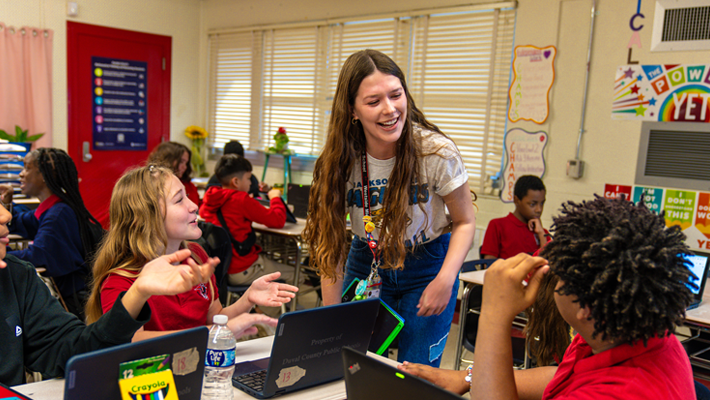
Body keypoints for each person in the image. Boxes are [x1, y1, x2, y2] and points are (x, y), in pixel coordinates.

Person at [400, 197, 696, 399]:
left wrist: (494, 314)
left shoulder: (614, 393)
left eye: (558, 272)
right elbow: (564, 374)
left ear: (586, 309)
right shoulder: (626, 327)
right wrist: (467, 377)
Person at [302, 49, 476, 366]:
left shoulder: (436, 153)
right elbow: (331, 244)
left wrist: (446, 279)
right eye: (373, 102)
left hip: (427, 266)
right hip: (365, 261)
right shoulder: (340, 161)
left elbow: (465, 221)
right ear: (352, 110)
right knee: (350, 364)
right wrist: (333, 316)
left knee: (415, 374)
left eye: (396, 95)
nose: (390, 109)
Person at [0, 199, 218, 386]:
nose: (6, 215)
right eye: (178, 199)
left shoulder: (16, 277)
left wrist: (138, 293)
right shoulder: (118, 277)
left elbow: (73, 351)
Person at [85, 165, 298, 341]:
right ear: (146, 216)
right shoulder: (122, 281)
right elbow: (131, 341)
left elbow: (215, 319)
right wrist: (212, 334)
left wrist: (247, 299)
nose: (194, 205)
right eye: (179, 200)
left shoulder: (196, 255)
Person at [0, 148, 103, 320]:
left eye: (27, 168)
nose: (21, 174)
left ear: (44, 175)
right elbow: (21, 222)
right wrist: (8, 202)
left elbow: (39, 255)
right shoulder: (54, 208)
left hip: (77, 298)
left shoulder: (58, 214)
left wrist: (5, 254)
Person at [200, 154, 294, 286]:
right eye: (248, 178)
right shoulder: (241, 200)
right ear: (236, 182)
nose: (250, 183)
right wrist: (275, 198)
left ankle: (258, 305)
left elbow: (205, 213)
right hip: (243, 267)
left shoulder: (211, 198)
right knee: (297, 274)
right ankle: (264, 307)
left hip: (222, 270)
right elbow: (277, 220)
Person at [480, 175, 549, 259]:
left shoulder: (543, 233)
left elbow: (548, 265)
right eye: (532, 204)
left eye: (542, 203)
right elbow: (488, 265)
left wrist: (541, 234)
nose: (539, 209)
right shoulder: (498, 226)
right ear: (516, 200)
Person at [147, 141, 201, 206]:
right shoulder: (155, 185)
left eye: (186, 163)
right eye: (181, 162)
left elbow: (198, 206)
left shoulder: (189, 185)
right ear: (167, 160)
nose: (185, 167)